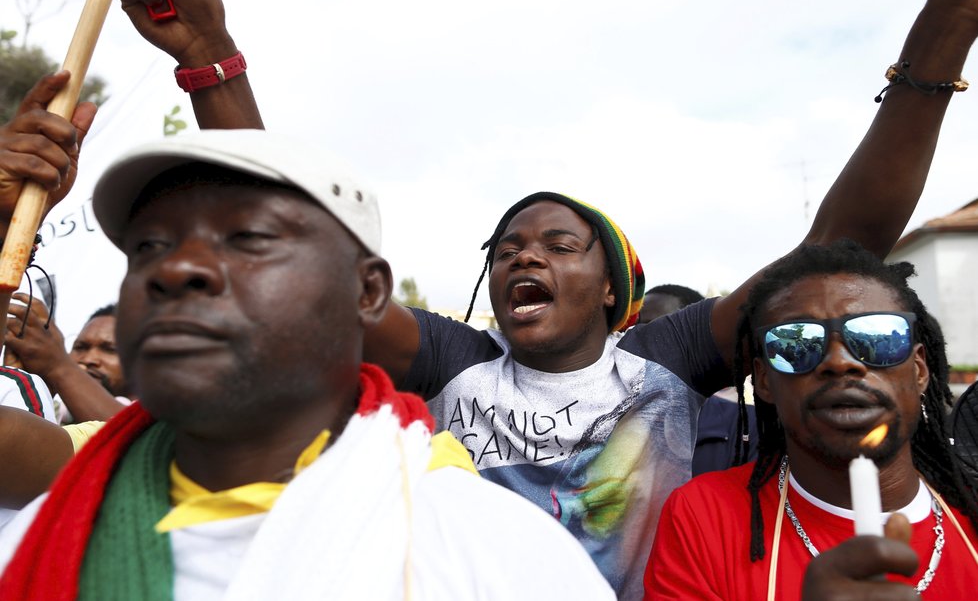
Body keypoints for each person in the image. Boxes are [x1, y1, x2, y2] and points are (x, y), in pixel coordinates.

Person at [100, 0, 978, 595]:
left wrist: (943, 31)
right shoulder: (457, 364)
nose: (526, 251)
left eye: (561, 244)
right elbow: (303, 249)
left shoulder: (664, 362)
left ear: (611, 288)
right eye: (508, 246)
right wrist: (210, 57)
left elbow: (841, 242)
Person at [0, 128, 614, 599]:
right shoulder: (42, 532)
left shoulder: (499, 557)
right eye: (148, 247)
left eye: (249, 239)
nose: (175, 268)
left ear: (367, 293)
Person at [644, 240, 978, 600]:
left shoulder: (971, 511)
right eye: (794, 344)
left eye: (877, 338)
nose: (839, 361)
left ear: (919, 370)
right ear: (765, 380)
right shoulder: (704, 517)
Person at [637, 283, 758, 476]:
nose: (639, 339)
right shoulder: (608, 418)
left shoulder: (749, 427)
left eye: (657, 330)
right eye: (635, 328)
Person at [5, 299, 130, 423]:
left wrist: (57, 366)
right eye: (80, 347)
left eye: (109, 349)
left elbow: (128, 436)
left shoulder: (147, 422)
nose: (88, 359)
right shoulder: (57, 411)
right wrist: (24, 389)